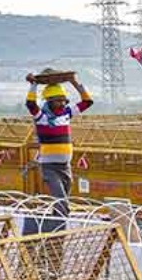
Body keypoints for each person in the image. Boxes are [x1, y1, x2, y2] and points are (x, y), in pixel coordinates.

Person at [25, 72, 93, 219]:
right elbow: (30, 104)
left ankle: (56, 220)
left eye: (63, 100)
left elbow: (87, 102)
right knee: (61, 198)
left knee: (63, 198)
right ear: (49, 101)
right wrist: (34, 85)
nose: (62, 103)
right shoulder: (41, 117)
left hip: (65, 166)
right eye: (58, 100)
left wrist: (74, 82)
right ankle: (63, 222)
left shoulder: (66, 114)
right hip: (50, 167)